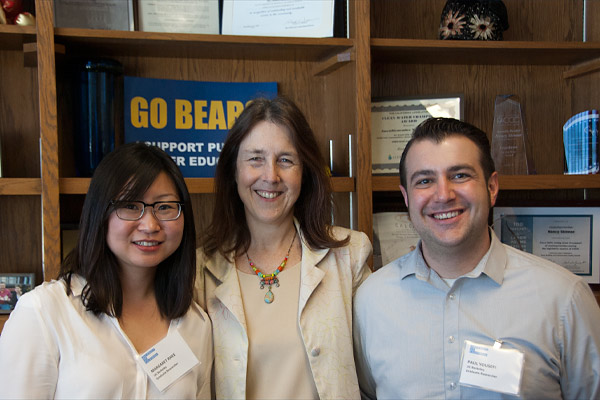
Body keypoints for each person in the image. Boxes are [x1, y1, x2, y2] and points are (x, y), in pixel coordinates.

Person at [353, 117, 600, 399]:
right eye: (424, 180)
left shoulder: (564, 299)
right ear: (407, 198)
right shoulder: (372, 301)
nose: (443, 194)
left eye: (460, 175)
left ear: (492, 188)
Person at [0, 143, 212, 399]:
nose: (150, 224)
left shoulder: (196, 324)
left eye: (165, 207)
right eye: (131, 206)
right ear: (100, 213)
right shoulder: (45, 313)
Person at [196, 96, 372, 399]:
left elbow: (380, 374)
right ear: (232, 171)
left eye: (286, 160)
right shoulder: (199, 272)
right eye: (255, 159)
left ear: (305, 172)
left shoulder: (349, 256)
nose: (271, 176)